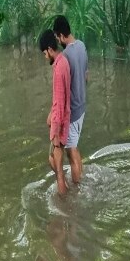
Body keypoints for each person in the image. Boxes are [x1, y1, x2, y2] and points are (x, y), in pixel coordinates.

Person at [52, 16, 86, 184]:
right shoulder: (82, 46)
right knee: (75, 147)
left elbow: (62, 91)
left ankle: (78, 189)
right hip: (82, 108)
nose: (58, 41)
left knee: (71, 154)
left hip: (72, 113)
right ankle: (82, 178)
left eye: (57, 37)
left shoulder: (64, 57)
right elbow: (86, 77)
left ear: (60, 35)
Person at [39, 29, 70, 196]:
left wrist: (56, 132)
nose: (45, 57)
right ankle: (65, 188)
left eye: (45, 53)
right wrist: (51, 114)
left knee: (56, 167)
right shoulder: (63, 62)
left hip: (60, 126)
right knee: (54, 161)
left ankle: (64, 203)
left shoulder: (58, 70)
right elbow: (61, 98)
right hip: (63, 119)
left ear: (50, 49)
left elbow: (59, 105)